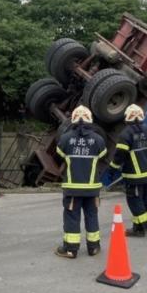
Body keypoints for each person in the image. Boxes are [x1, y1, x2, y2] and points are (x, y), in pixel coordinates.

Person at [55, 106, 107, 259]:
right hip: (92, 189)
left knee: (72, 216)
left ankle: (71, 249)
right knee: (92, 215)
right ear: (90, 119)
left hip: (72, 188)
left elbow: (60, 154)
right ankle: (94, 247)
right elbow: (103, 155)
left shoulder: (65, 138)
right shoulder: (98, 139)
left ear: (73, 120)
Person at [110, 104, 147, 237]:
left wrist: (113, 168)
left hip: (134, 176)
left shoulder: (126, 134)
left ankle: (139, 229)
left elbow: (120, 155)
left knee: (135, 200)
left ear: (127, 118)